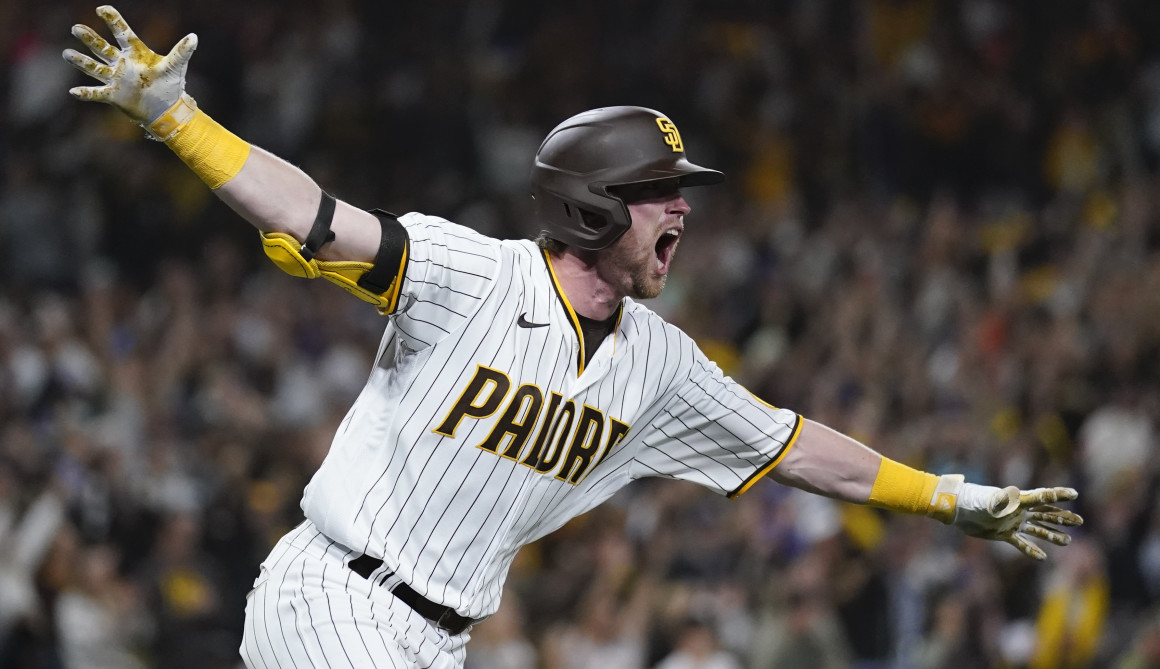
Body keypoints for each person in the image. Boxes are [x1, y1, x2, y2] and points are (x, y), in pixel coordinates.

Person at [62, 7, 1083, 669]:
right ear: (593, 207)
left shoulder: (659, 364)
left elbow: (795, 446)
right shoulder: (472, 273)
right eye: (658, 196)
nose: (680, 212)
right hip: (335, 593)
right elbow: (317, 218)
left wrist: (952, 498)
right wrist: (178, 123)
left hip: (438, 639)